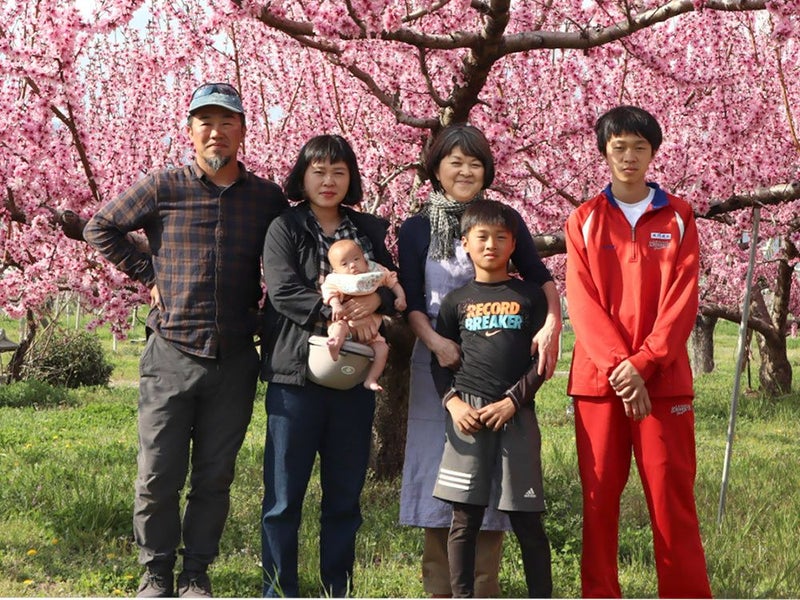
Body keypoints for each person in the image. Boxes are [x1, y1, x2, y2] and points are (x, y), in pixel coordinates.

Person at [84, 82, 288, 598]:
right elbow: (101, 227)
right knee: (157, 475)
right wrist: (146, 273)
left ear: (243, 131)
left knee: (214, 478)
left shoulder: (266, 198)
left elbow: (289, 256)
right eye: (205, 122)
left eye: (226, 122)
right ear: (190, 131)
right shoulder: (163, 186)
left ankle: (196, 573)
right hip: (171, 352)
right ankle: (155, 572)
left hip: (235, 357)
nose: (216, 132)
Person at [398, 123, 562, 597]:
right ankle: (442, 588)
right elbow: (411, 299)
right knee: (442, 472)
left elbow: (540, 277)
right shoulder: (416, 228)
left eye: (475, 163)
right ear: (436, 169)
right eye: (455, 162)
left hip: (501, 361)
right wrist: (436, 343)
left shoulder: (503, 220)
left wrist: (552, 324)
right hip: (439, 360)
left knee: (498, 475)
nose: (465, 171)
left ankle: (484, 586)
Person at [565, 105, 712, 598]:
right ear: (604, 152)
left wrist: (645, 363)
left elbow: (683, 299)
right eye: (619, 147)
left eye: (639, 148)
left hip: (664, 381)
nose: (629, 157)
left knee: (673, 502)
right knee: (598, 502)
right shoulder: (584, 220)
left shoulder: (679, 215)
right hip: (599, 384)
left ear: (653, 154)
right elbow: (582, 302)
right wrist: (620, 369)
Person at [260, 134, 398, 598]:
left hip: (354, 377)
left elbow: (392, 288)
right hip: (295, 376)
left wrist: (376, 303)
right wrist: (336, 313)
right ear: (302, 177)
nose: (328, 181)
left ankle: (336, 589)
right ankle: (279, 591)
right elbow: (283, 292)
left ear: (351, 178)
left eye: (339, 171)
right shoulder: (284, 227)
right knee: (283, 498)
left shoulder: (369, 230)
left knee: (344, 497)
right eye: (318, 171)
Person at [431, 199, 553, 598]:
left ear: (514, 244)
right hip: (467, 415)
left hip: (516, 413)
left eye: (501, 237)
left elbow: (542, 363)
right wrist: (453, 404)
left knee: (527, 520)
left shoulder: (530, 295)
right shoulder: (455, 301)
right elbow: (440, 363)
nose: (491, 245)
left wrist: (513, 401)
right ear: (465, 243)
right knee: (464, 519)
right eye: (481, 237)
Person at [321, 238, 407, 390]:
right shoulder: (337, 279)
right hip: (347, 323)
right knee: (338, 327)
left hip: (372, 333)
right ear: (335, 269)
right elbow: (329, 292)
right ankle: (334, 344)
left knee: (382, 349)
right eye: (344, 264)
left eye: (356, 259)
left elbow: (393, 282)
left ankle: (371, 379)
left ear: (364, 258)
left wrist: (401, 297)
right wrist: (336, 305)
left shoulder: (375, 272)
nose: (352, 265)